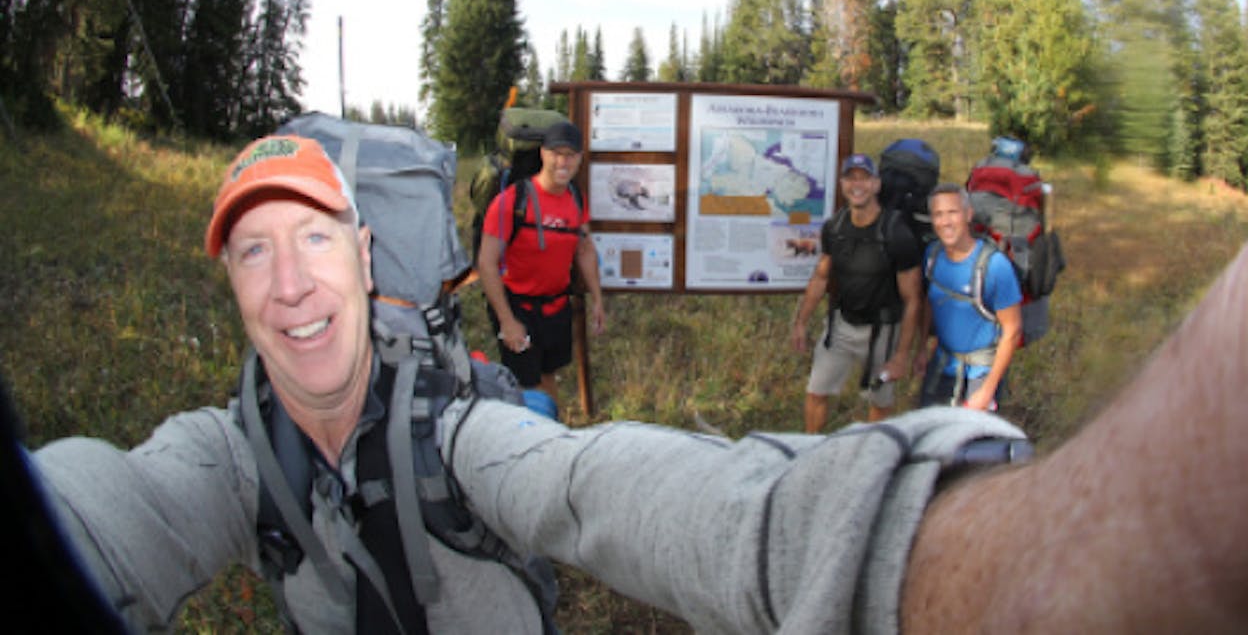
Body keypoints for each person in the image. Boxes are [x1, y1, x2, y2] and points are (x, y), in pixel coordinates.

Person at [26, 130, 1030, 633]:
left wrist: (890, 539)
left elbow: (589, 485)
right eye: (253, 251)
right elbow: (114, 509)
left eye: (314, 240)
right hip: (523, 319)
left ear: (366, 257)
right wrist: (505, 310)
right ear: (232, 286)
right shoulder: (226, 451)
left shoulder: (454, 426)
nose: (290, 283)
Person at [792, 153, 924, 432]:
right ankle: (810, 450)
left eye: (864, 178)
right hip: (841, 325)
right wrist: (801, 322)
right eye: (850, 178)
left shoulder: (896, 232)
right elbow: (821, 277)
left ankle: (871, 458)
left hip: (883, 332)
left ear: (876, 184)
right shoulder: (835, 227)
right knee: (816, 391)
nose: (857, 185)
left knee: (879, 402)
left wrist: (901, 356)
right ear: (842, 184)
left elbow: (912, 299)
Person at [477, 120, 606, 405]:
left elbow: (584, 248)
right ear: (543, 154)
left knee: (548, 374)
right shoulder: (511, 202)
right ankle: (537, 439)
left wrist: (597, 297)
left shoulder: (575, 198)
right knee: (527, 385)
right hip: (519, 307)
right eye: (556, 153)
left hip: (557, 307)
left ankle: (552, 430)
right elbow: (486, 264)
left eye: (570, 155)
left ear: (580, 159)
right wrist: (507, 321)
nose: (563, 161)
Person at [915, 183, 1023, 412]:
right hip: (942, 364)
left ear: (968, 214)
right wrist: (922, 348)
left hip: (980, 372)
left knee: (971, 445)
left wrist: (987, 390)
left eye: (952, 212)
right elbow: (930, 300)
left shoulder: (994, 267)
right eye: (938, 214)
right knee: (929, 439)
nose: (945, 222)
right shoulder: (932, 255)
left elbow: (1012, 331)